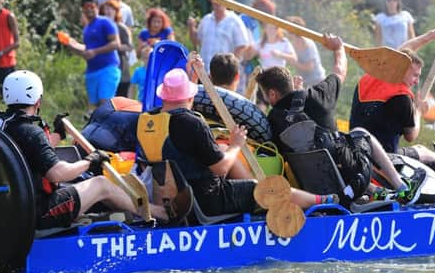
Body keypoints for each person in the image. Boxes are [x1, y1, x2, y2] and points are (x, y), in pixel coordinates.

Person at [137, 62, 339, 217]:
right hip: (209, 199)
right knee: (265, 189)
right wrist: (235, 145)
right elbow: (221, 169)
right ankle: (323, 200)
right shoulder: (191, 123)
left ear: (164, 97)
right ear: (190, 97)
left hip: (172, 199)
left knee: (227, 159)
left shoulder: (148, 121)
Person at [0, 70, 182, 229]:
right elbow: (57, 174)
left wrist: (58, 134)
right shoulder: (31, 132)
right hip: (39, 213)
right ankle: (162, 213)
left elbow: (31, 154)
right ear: (37, 100)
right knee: (100, 184)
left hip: (8, 210)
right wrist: (90, 160)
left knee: (81, 182)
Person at [256, 34, 426, 206]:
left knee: (340, 152)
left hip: (312, 187)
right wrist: (338, 49)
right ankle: (403, 188)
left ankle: (377, 192)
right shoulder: (317, 97)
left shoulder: (273, 121)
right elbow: (340, 71)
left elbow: (294, 120)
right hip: (348, 182)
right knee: (358, 134)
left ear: (272, 94)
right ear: (289, 85)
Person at [348, 24, 435, 174]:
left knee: (420, 150)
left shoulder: (371, 77)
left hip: (355, 151)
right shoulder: (402, 98)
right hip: (384, 160)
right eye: (415, 75)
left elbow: (402, 53)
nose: (416, 81)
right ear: (401, 70)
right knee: (428, 155)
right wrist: (418, 110)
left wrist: (434, 34)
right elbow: (411, 135)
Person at [62, 0, 121, 110]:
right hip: (92, 71)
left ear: (97, 8)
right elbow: (86, 51)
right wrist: (71, 44)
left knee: (105, 103)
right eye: (86, 7)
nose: (89, 9)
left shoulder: (105, 22)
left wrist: (95, 51)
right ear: (83, 10)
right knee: (93, 107)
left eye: (92, 6)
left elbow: (116, 43)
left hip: (108, 68)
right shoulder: (87, 28)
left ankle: (109, 127)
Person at [188, 0, 250, 72]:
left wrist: (230, 67)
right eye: (216, 0)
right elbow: (197, 41)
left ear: (227, 2)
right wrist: (191, 28)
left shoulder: (235, 21)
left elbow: (242, 46)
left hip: (223, 75)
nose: (218, 4)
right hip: (204, 73)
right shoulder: (206, 19)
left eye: (221, 0)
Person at [99, 0, 134, 97]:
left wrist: (115, 46)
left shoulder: (121, 28)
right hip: (103, 67)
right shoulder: (99, 27)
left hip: (121, 67)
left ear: (116, 11)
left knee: (121, 99)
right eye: (106, 9)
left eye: (111, 9)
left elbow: (129, 47)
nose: (109, 11)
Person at [281, 16, 326, 87]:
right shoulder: (292, 43)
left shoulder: (306, 43)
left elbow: (309, 67)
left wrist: (294, 62)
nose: (286, 30)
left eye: (288, 28)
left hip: (317, 82)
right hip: (304, 83)